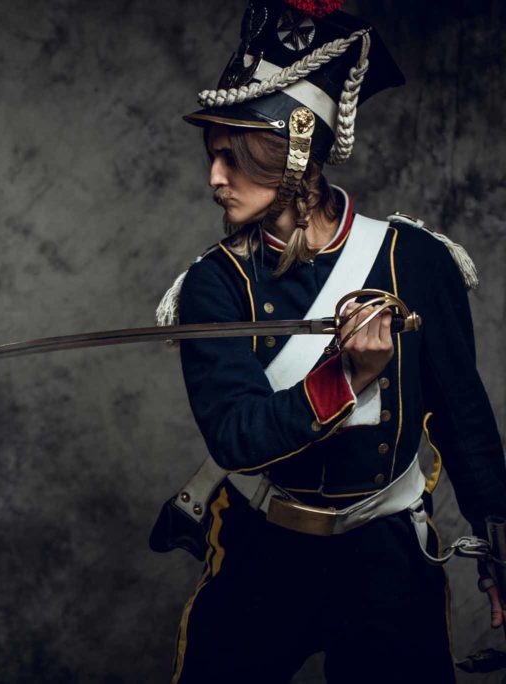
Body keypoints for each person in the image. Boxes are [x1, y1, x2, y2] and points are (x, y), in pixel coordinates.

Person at [154, 1, 506, 681]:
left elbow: (462, 415)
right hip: (263, 547)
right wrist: (344, 377)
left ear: (290, 149)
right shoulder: (212, 286)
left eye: (233, 155)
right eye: (212, 155)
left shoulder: (417, 260)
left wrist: (497, 548)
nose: (213, 178)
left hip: (388, 558)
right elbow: (236, 436)